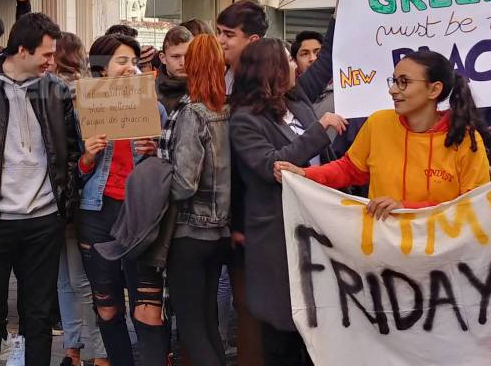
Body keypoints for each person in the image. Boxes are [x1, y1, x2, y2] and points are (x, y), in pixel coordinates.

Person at [0, 13, 80, 366]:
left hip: (44, 220)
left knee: (37, 316)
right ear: (22, 50)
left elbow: (69, 150)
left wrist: (63, 203)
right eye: (47, 54)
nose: (52, 62)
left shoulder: (56, 90)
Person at [228, 39, 347, 365]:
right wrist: (319, 131)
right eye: (287, 61)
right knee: (283, 331)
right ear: (271, 70)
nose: (296, 66)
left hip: (317, 229)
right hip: (277, 236)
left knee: (318, 324)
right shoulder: (244, 121)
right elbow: (272, 166)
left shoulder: (298, 104)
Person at [277, 50, 491, 218]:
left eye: (404, 82)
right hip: (385, 257)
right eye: (394, 81)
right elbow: (350, 169)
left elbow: (473, 205)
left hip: (444, 260)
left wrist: (404, 209)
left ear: (434, 90)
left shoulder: (466, 138)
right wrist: (304, 174)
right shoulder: (378, 123)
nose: (392, 90)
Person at [143, 34, 231, 366]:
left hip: (189, 232)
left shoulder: (193, 112)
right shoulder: (227, 108)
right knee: (208, 322)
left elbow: (184, 183)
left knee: (193, 327)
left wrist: (158, 175)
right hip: (220, 230)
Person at [77, 33, 158, 366]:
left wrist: (156, 151)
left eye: (133, 63)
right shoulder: (82, 105)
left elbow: (171, 163)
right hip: (96, 213)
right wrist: (87, 157)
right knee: (107, 306)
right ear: (102, 67)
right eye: (121, 61)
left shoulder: (153, 105)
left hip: (139, 213)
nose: (129, 69)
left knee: (147, 307)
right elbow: (72, 170)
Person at [49, 31, 106, 366]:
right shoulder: (86, 91)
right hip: (78, 194)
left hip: (59, 194)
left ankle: (76, 350)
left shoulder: (59, 93)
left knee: (69, 281)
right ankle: (94, 351)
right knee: (80, 280)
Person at [156, 26, 192, 115]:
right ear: (163, 58)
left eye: (188, 56)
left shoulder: (205, 89)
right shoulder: (149, 93)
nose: (183, 63)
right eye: (176, 56)